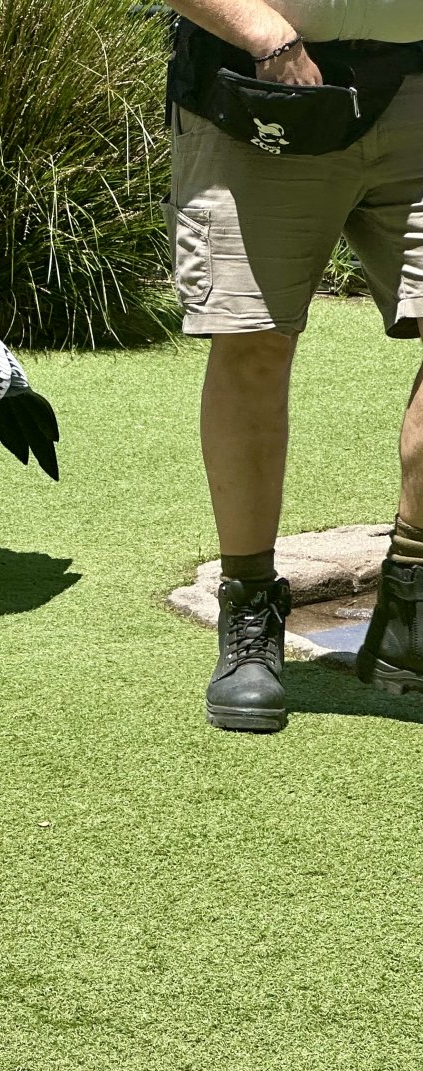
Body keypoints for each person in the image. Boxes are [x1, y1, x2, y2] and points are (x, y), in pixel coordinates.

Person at [164, 0, 423, 732]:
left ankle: (411, 608)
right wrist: (267, 36)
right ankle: (248, 616)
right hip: (262, 80)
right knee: (253, 345)